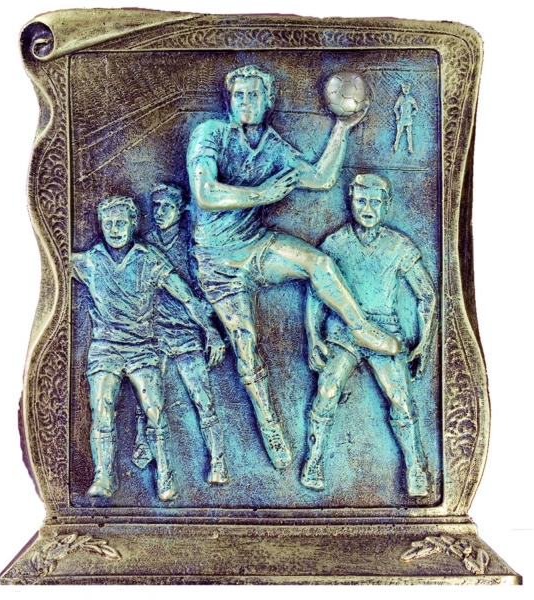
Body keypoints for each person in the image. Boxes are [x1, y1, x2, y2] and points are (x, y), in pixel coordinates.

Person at [187, 65, 402, 470]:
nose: (246, 102)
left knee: (319, 263)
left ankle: (360, 327)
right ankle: (268, 421)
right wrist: (262, 193)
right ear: (229, 100)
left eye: (254, 95)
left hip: (255, 245)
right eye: (239, 95)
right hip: (216, 261)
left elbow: (320, 178)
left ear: (268, 100)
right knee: (245, 343)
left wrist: (342, 128)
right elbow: (205, 192)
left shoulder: (272, 144)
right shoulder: (210, 135)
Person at [71, 196, 223, 501]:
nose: (114, 229)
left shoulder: (149, 258)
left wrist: (211, 330)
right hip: (105, 347)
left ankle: (165, 475)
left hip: (142, 348)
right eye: (108, 223)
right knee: (101, 409)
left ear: (133, 224)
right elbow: (49, 260)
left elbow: (185, 296)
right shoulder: (88, 261)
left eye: (120, 223)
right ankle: (104, 476)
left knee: (155, 412)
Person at [302, 174, 437, 497]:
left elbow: (427, 295)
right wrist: (314, 337)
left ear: (387, 205)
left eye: (375, 202)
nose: (368, 208)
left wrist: (423, 345)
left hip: (385, 332)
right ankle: (313, 460)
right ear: (350, 200)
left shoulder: (399, 246)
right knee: (327, 390)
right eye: (361, 201)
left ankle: (416, 466)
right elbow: (317, 293)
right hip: (343, 330)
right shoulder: (334, 244)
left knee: (401, 399)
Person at [132, 183, 229, 485]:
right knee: (147, 397)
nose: (159, 212)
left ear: (181, 210)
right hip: (154, 334)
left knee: (203, 400)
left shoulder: (192, 245)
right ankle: (143, 442)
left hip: (187, 332)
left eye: (167, 207)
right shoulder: (144, 246)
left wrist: (213, 332)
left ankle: (218, 462)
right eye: (156, 206)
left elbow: (207, 292)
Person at [393, 82, 419, 153]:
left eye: (407, 87)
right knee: (399, 133)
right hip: (401, 118)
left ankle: (410, 148)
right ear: (402, 89)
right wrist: (397, 115)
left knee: (409, 134)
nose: (405, 89)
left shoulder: (411, 99)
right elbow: (395, 108)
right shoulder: (400, 98)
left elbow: (416, 108)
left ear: (409, 88)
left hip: (408, 118)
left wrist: (412, 113)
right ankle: (395, 146)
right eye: (404, 87)